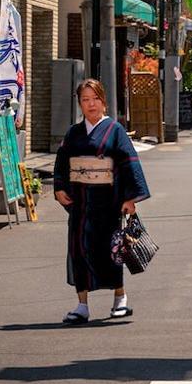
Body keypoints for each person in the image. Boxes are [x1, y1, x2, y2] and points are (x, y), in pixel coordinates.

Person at [53, 78, 150, 325]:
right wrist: (59, 187)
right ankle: (82, 305)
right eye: (85, 100)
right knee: (79, 250)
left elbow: (129, 162)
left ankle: (120, 298)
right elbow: (62, 162)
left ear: (103, 101)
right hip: (80, 203)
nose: (91, 104)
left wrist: (130, 198)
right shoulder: (73, 133)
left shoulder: (115, 130)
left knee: (112, 251)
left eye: (95, 99)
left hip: (108, 203)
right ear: (79, 104)